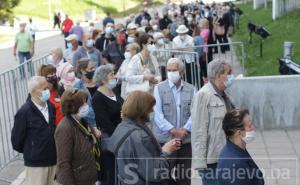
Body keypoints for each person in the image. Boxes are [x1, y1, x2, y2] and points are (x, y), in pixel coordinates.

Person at [108, 91, 181, 185]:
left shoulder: (122, 127)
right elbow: (154, 173)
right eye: (151, 108)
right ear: (142, 110)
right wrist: (166, 152)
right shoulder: (139, 136)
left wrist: (161, 150)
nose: (153, 111)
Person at [191, 59, 235, 185]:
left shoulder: (224, 94)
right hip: (212, 161)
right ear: (217, 75)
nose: (231, 76)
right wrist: (200, 162)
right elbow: (199, 130)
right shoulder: (203, 95)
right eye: (228, 72)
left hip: (227, 155)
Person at [153, 58, 195, 185]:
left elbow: (196, 112)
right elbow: (157, 114)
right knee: (164, 176)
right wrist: (173, 130)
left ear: (182, 72)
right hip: (166, 140)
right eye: (169, 70)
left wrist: (185, 130)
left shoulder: (191, 89)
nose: (171, 72)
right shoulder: (159, 88)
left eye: (174, 70)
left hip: (185, 141)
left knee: (184, 176)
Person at [11, 76, 57, 185]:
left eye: (48, 88)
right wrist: (32, 150)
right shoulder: (24, 112)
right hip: (36, 165)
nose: (48, 91)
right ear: (34, 91)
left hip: (53, 159)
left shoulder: (50, 107)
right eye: (44, 89)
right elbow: (16, 141)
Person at [55, 89, 102, 185]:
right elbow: (64, 163)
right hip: (77, 179)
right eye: (83, 104)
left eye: (85, 102)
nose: (86, 106)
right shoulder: (64, 128)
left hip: (88, 177)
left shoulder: (82, 121)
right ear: (73, 106)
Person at [92, 64, 124, 185]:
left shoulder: (114, 91)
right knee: (111, 171)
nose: (115, 76)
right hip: (111, 138)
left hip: (121, 135)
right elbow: (105, 122)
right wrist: (120, 135)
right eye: (111, 75)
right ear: (104, 79)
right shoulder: (98, 98)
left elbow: (124, 106)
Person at [217, 109, 264, 185]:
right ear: (239, 133)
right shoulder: (235, 164)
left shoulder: (237, 149)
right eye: (250, 126)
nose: (253, 128)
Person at [74, 58, 101, 138]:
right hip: (91, 126)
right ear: (83, 71)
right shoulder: (77, 88)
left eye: (94, 67)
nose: (94, 70)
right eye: (91, 68)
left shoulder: (100, 82)